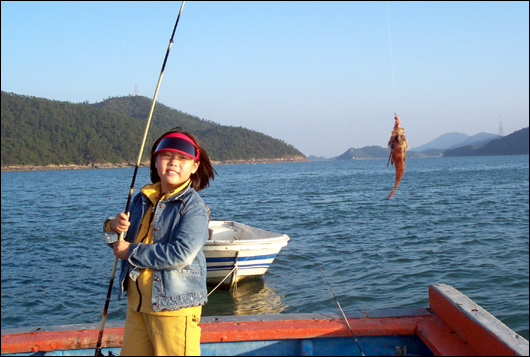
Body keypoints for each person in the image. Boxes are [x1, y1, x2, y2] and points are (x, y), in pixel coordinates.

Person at [103, 127, 216, 356]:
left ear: (194, 167)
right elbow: (120, 243)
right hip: (137, 305)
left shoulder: (194, 208)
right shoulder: (142, 199)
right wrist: (114, 227)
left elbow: (181, 254)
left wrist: (131, 252)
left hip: (174, 308)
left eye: (182, 158)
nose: (173, 163)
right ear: (155, 161)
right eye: (167, 156)